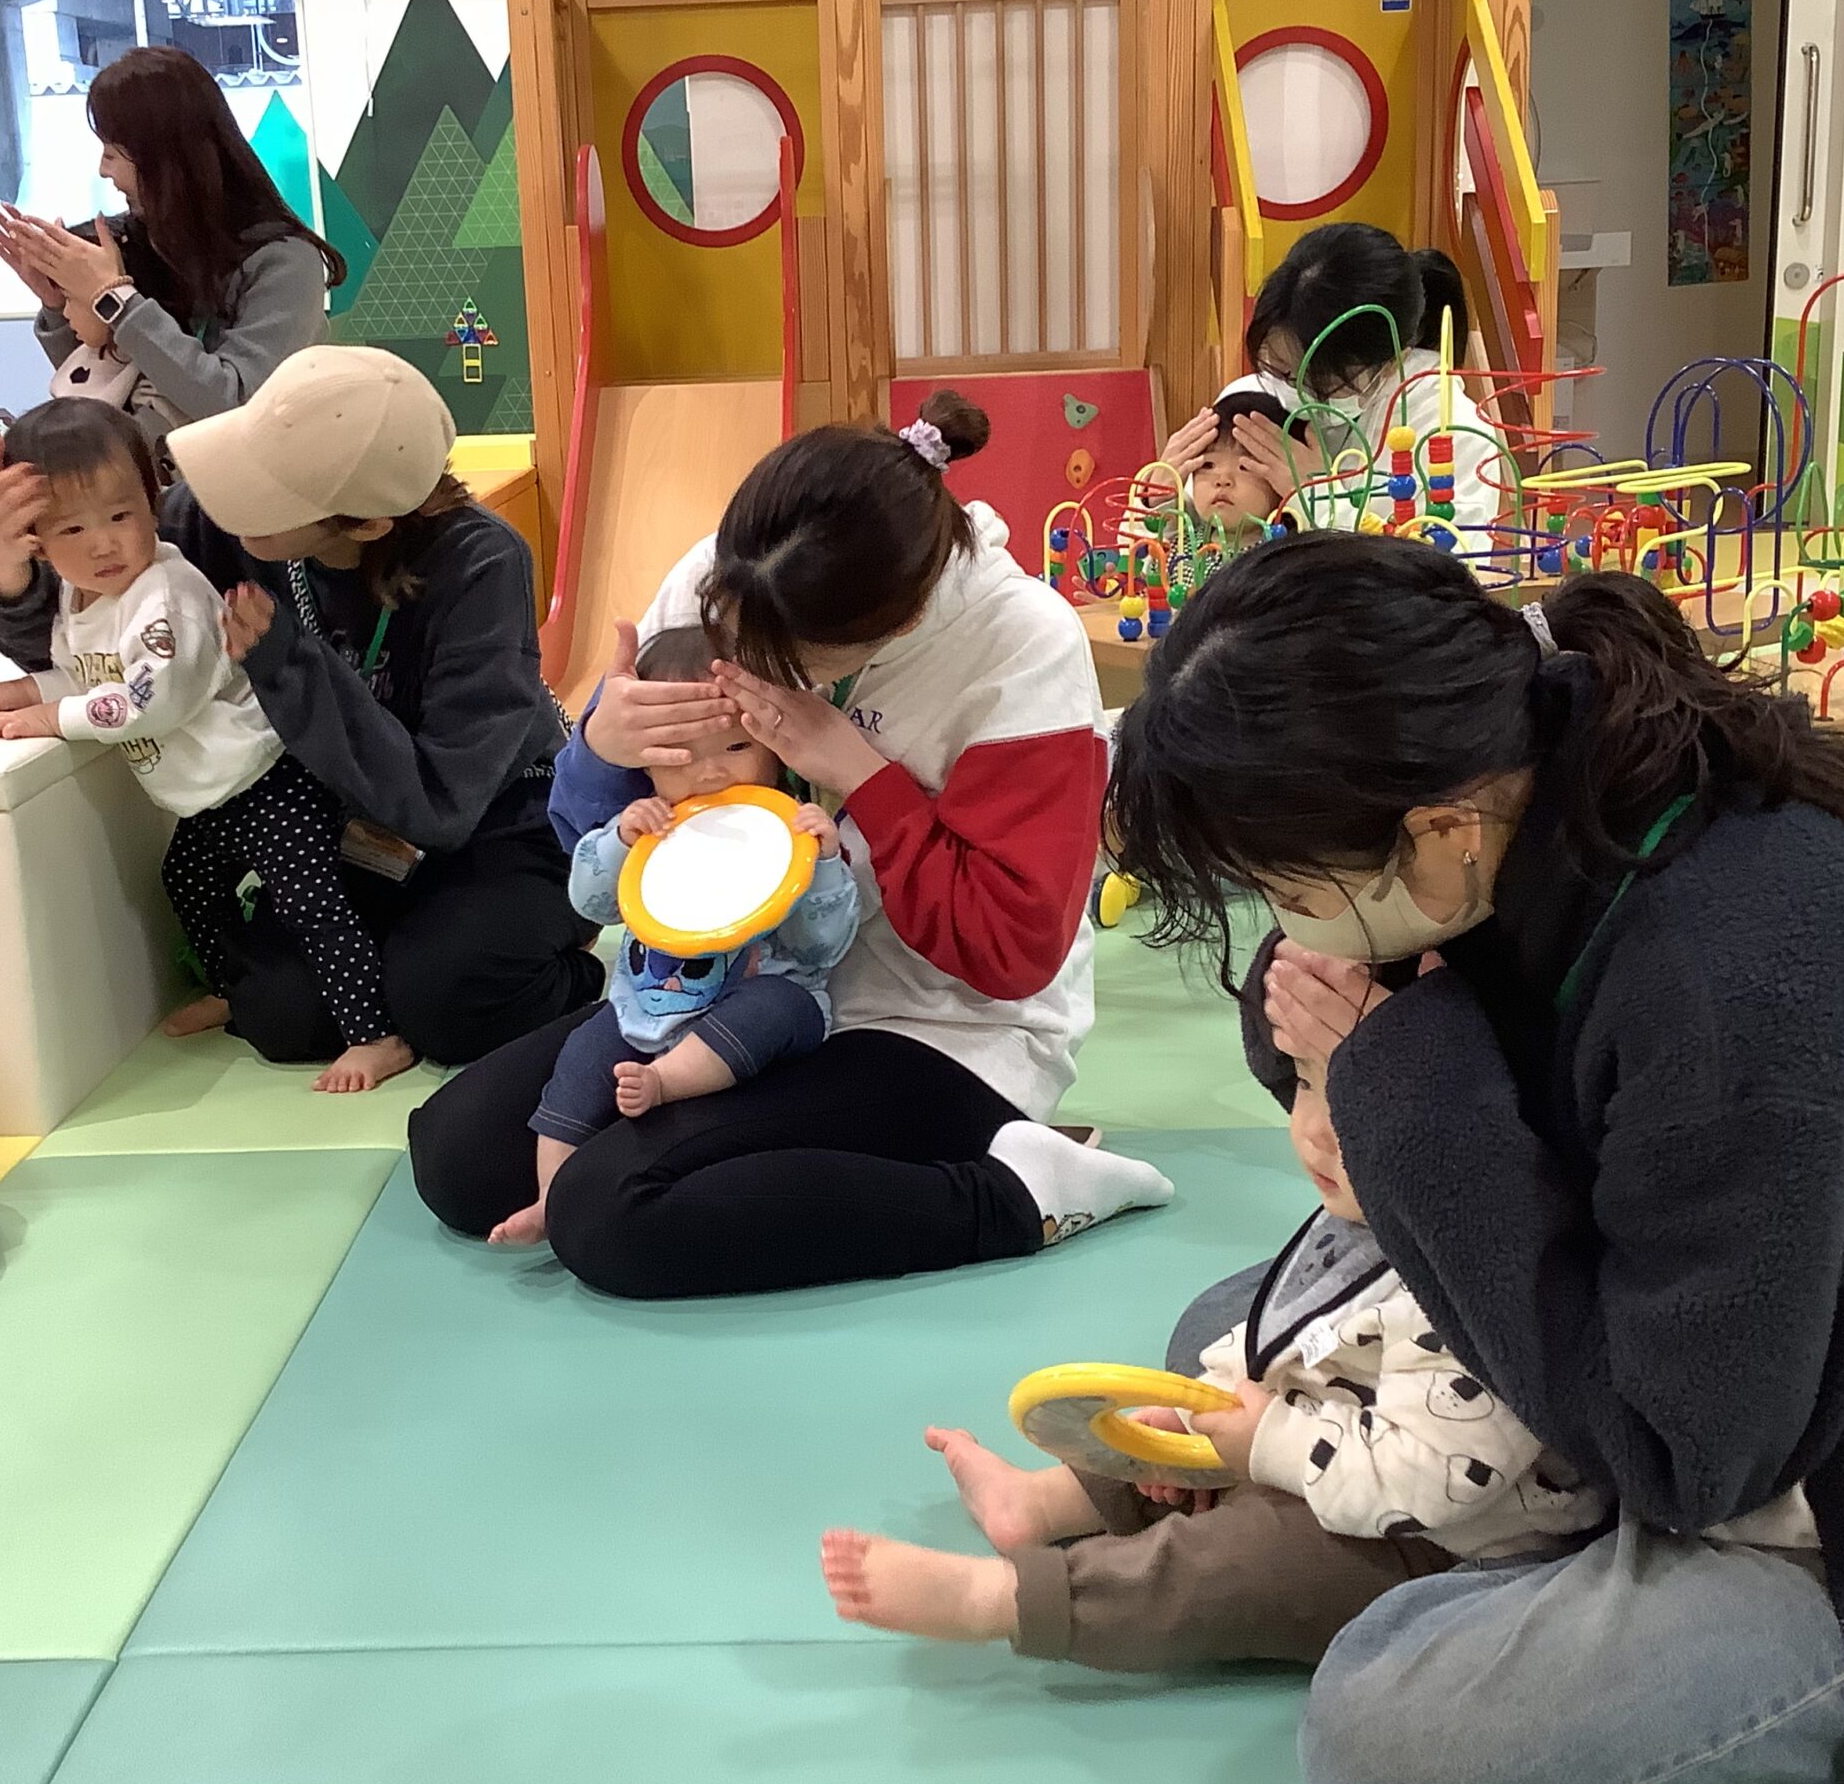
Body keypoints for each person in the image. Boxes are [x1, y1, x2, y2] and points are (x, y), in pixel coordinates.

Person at [1106, 530, 1844, 1784]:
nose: (1284, 920)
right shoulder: (1534, 766)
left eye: (1287, 885)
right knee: (1227, 1333)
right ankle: (1440, 1522)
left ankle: (1485, 1552)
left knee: (1392, 1742)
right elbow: (1361, 989)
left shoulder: (1736, 989)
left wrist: (1396, 1104)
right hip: (1702, 1329)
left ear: (1439, 833)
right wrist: (1327, 1080)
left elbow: (1683, 1451)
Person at [409, 393, 1174, 1298]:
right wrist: (602, 752)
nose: (753, 664)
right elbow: (607, 867)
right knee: (456, 1157)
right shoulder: (725, 580)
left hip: (936, 1024)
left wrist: (861, 775)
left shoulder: (1020, 645)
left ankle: (1019, 1194)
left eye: (791, 656)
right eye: (739, 634)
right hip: (722, 986)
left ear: (895, 624)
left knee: (610, 1213)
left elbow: (1012, 952)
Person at [821, 1054, 1610, 1669]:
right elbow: (1284, 1334)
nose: (1314, 1129)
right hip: (1338, 1441)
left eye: (1357, 1103)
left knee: (1234, 1565)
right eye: (1305, 1083)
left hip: (1441, 1538)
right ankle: (1043, 1504)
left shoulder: (1486, 1285)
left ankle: (1004, 1602)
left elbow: (1425, 1483)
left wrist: (1266, 1440)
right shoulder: (1370, 1212)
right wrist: (1205, 1407)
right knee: (1180, 1433)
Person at [0, 346, 602, 1077]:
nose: (222, 497)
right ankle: (428, 954)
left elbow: (441, 804)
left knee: (447, 1001)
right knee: (282, 1014)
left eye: (260, 492)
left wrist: (288, 664)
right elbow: (91, 632)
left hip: (500, 819)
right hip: (347, 823)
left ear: (364, 525)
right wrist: (9, 564)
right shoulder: (221, 521)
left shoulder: (480, 561)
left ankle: (569, 952)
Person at [0, 399, 400, 1094]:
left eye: (121, 515)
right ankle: (229, 988)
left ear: (151, 504)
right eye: (73, 528)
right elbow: (88, 672)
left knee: (312, 906)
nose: (104, 544)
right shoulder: (82, 597)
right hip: (208, 795)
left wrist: (53, 717)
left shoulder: (167, 595)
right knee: (186, 880)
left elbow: (150, 699)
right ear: (36, 539)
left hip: (266, 781)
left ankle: (375, 1034)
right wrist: (26, 690)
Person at [500, 627, 862, 1246]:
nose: (711, 771)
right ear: (644, 758)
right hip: (646, 1008)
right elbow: (592, 904)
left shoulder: (791, 829)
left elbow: (821, 946)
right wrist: (619, 841)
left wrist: (824, 862)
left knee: (777, 1004)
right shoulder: (651, 825)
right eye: (680, 754)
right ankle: (550, 1196)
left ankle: (669, 1082)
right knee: (583, 1052)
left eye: (737, 745)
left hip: (764, 1008)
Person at [0, 46, 343, 444]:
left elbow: (235, 404)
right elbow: (105, 387)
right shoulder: (137, 237)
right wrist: (57, 301)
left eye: (111, 153)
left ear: (164, 156)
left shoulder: (284, 262)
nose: (103, 170)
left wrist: (115, 299)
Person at [1190, 224, 1505, 538]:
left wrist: (1320, 501)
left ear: (1392, 362)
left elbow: (1452, 561)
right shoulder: (1252, 403)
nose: (1295, 391)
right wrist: (1168, 494)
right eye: (1281, 367)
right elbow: (1203, 529)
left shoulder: (1450, 429)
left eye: (1323, 380)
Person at [1158, 390, 1321, 537]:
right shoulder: (1178, 543)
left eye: (1244, 467)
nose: (1223, 480)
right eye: (1208, 465)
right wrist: (1158, 500)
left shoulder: (1292, 550)